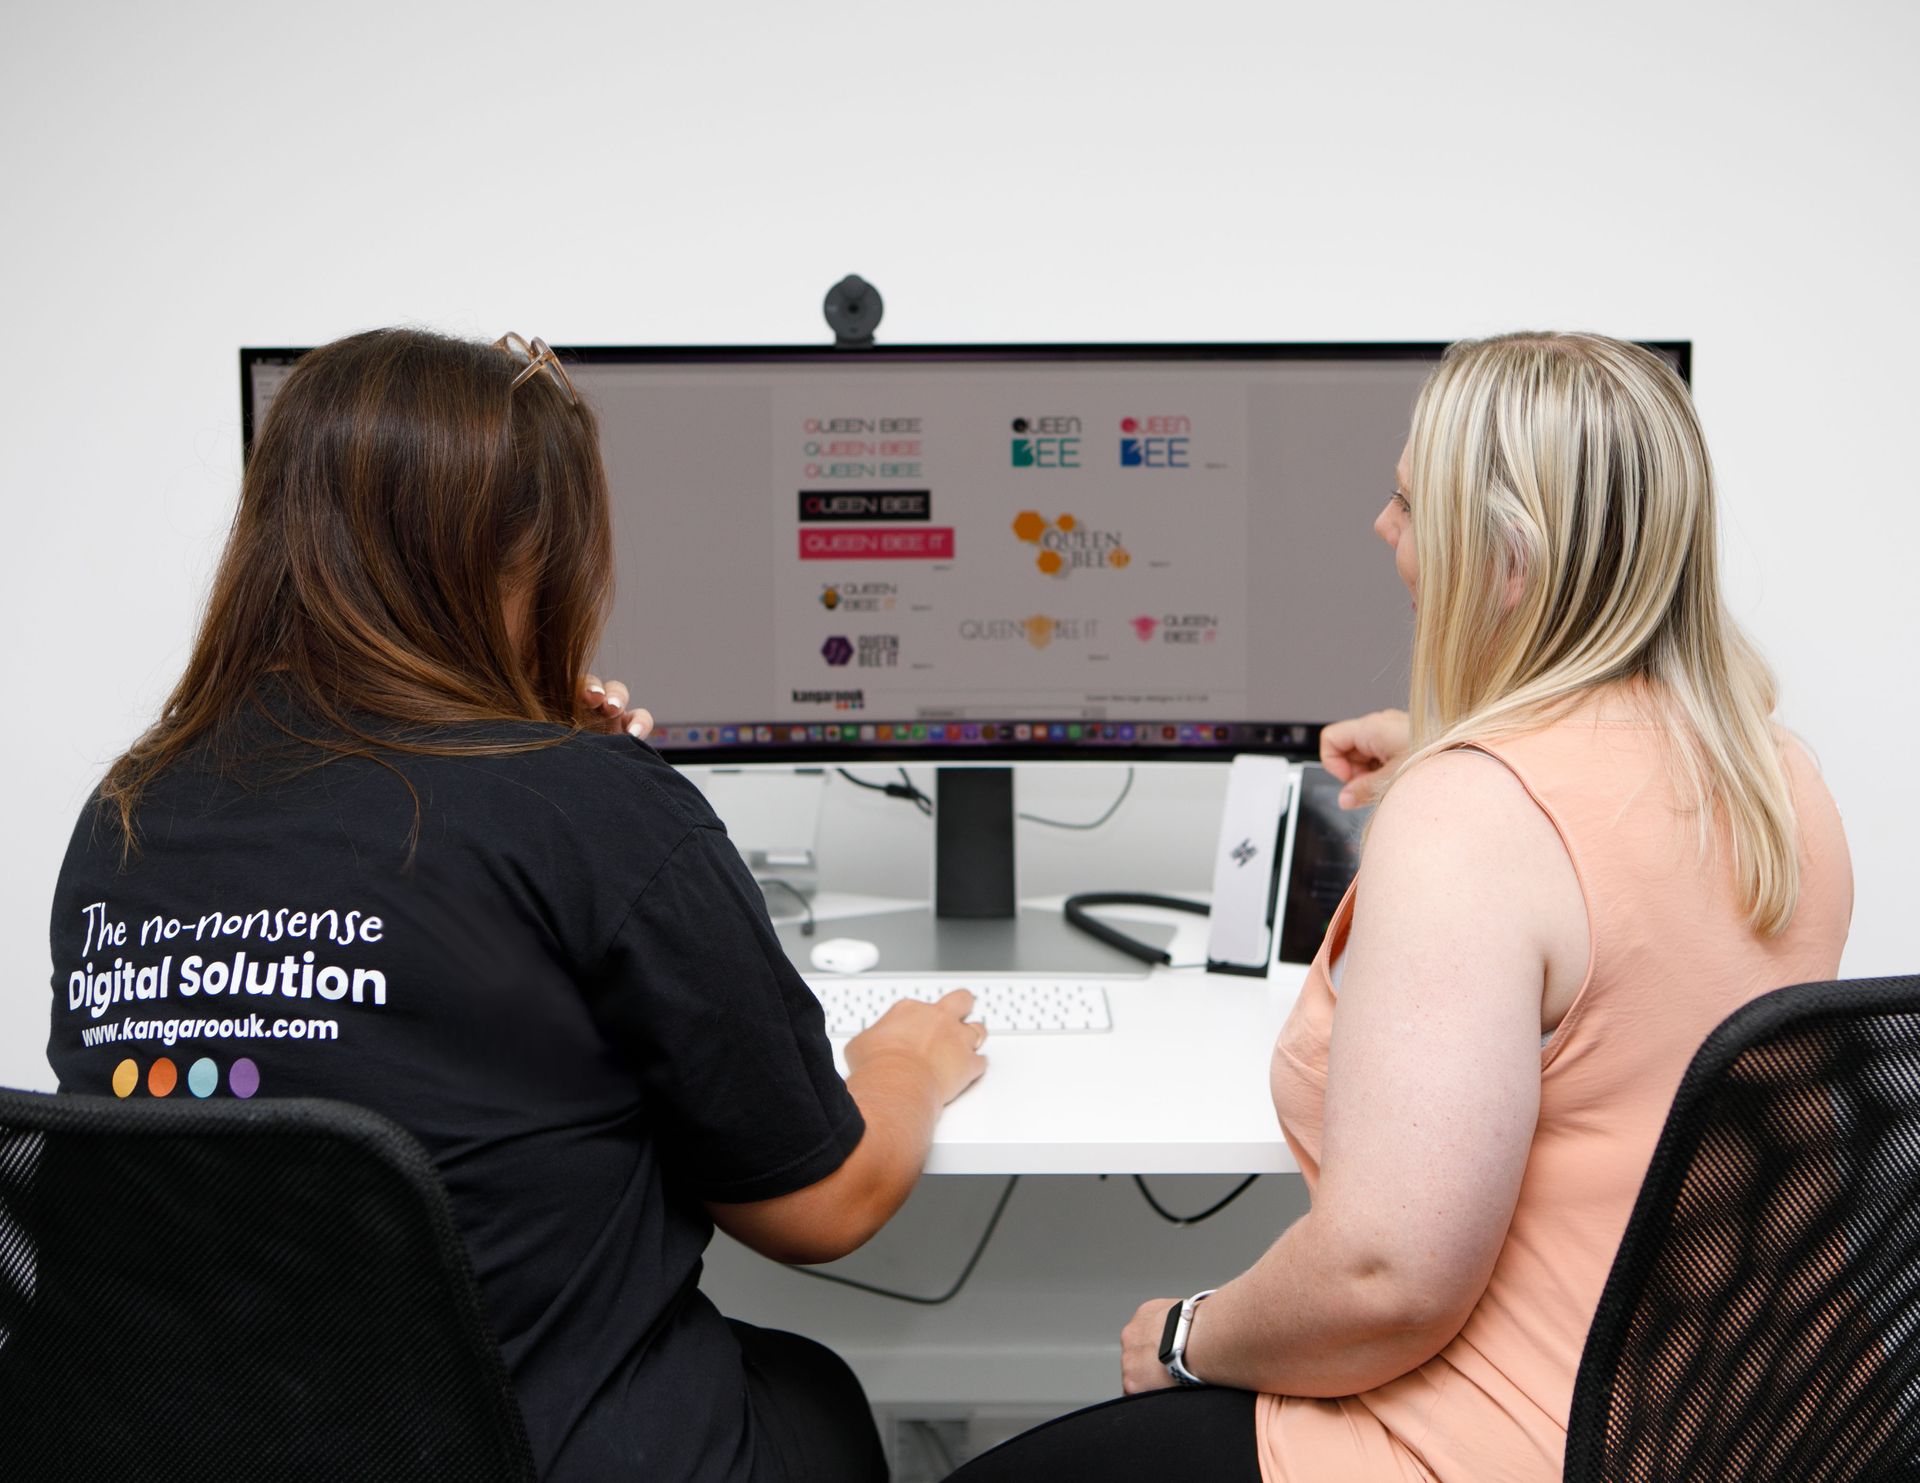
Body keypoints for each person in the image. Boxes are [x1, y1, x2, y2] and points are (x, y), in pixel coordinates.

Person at [46, 328, 990, 1483]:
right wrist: (911, 1063)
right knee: (816, 1395)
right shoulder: (587, 807)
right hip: (537, 1454)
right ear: (525, 560)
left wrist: (551, 759)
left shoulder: (131, 810)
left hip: (206, 1446)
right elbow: (823, 1204)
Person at [945, 332, 1852, 1483]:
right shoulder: (1780, 780)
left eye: (1409, 502)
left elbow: (1387, 1279)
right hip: (1724, 1423)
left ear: (1506, 560)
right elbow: (1616, 863)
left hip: (1501, 1442)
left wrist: (1185, 1332)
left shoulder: (1473, 822)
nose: (1384, 529)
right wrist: (1450, 757)